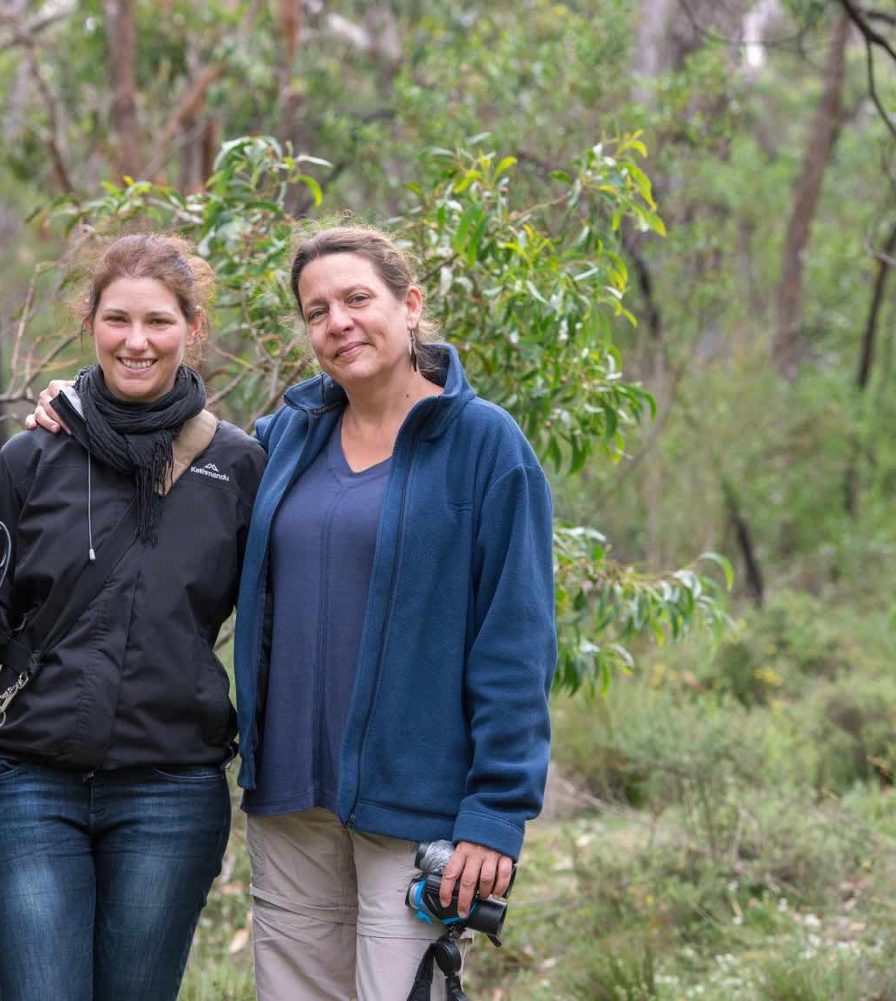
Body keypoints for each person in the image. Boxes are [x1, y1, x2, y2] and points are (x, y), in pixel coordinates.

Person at [28, 225, 555, 1001]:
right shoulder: (284, 441)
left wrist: (496, 812)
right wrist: (71, 409)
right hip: (290, 797)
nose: (338, 322)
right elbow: (160, 464)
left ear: (409, 306)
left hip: (414, 801)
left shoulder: (484, 445)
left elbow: (516, 638)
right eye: (317, 310)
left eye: (356, 299)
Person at [0, 233, 267, 1001]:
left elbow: (277, 624)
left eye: (158, 321)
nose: (137, 340)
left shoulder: (239, 466)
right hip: (30, 783)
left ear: (193, 327)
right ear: (90, 322)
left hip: (172, 791)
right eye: (117, 319)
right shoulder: (32, 459)